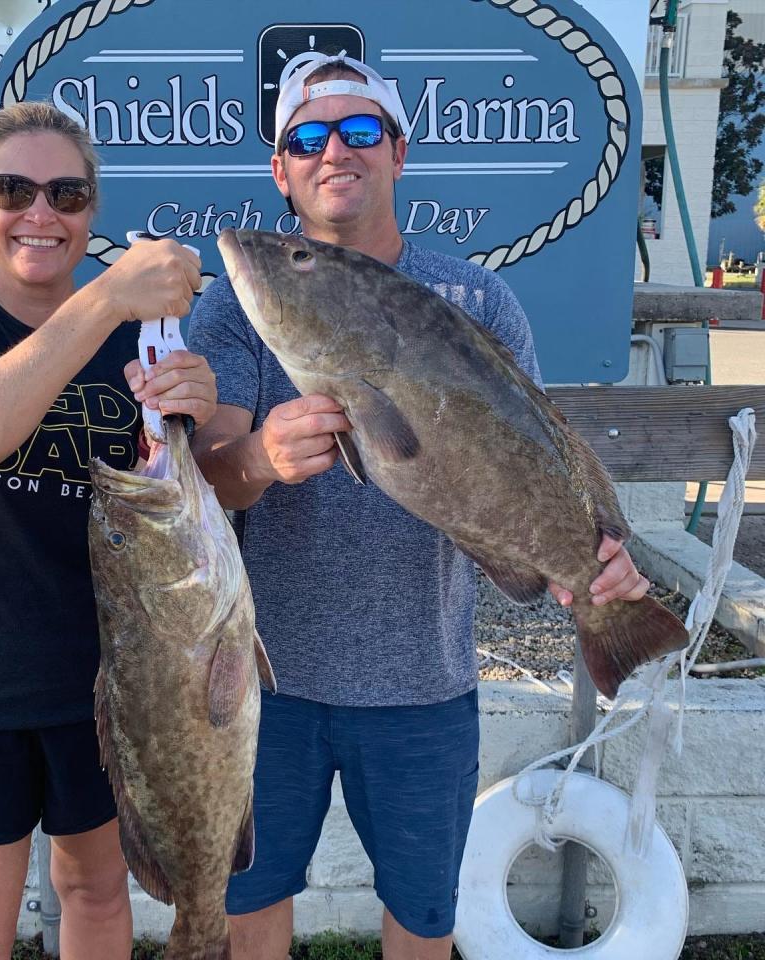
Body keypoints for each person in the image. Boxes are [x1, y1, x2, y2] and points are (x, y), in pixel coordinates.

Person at [183, 54, 651, 960]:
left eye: (360, 131)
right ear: (280, 169)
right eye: (306, 138)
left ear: (399, 151)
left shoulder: (478, 298)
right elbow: (207, 478)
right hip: (263, 676)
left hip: (422, 681)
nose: (334, 153)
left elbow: (536, 458)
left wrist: (597, 555)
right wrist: (262, 458)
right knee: (252, 900)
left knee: (424, 916)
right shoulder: (236, 307)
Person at [0, 100, 216, 960]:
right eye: (13, 189)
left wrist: (199, 418)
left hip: (111, 688)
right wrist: (106, 294)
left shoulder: (143, 343)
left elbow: (195, 511)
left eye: (67, 194)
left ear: (90, 209)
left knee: (98, 897)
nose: (41, 214)